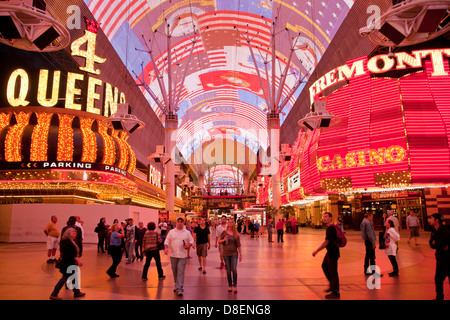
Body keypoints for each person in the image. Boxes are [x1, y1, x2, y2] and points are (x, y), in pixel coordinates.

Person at [50, 228, 85, 300]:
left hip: (71, 264)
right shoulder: (67, 242)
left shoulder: (72, 241)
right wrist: (78, 260)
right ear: (68, 233)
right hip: (67, 264)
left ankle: (77, 292)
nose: (74, 232)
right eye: (72, 231)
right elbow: (70, 254)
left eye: (75, 231)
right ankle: (54, 294)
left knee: (74, 277)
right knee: (64, 279)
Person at [312, 212, 340, 299]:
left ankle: (335, 292)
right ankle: (332, 284)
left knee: (333, 271)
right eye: (324, 217)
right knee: (324, 266)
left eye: (326, 217)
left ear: (331, 218)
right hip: (330, 251)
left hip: (333, 252)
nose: (325, 218)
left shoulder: (330, 228)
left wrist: (317, 250)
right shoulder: (330, 227)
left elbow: (326, 242)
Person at [164, 217, 194, 296]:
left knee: (180, 272)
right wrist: (166, 248)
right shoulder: (171, 232)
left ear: (183, 223)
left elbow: (191, 240)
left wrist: (188, 245)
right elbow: (167, 240)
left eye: (181, 222)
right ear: (176, 223)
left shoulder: (187, 232)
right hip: (173, 255)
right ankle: (176, 284)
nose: (179, 223)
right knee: (175, 271)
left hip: (182, 256)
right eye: (178, 222)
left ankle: (180, 288)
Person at [428, 213, 450, 300]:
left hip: (448, 260)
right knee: (438, 279)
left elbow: (440, 245)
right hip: (440, 259)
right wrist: (437, 244)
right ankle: (439, 297)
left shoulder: (445, 231)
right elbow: (432, 244)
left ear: (436, 220)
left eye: (431, 218)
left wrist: (437, 244)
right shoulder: (434, 230)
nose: (430, 220)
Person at [218, 219, 242, 293]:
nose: (230, 223)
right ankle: (230, 285)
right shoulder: (224, 233)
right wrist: (223, 240)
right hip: (226, 254)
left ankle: (235, 285)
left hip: (234, 253)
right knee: (228, 270)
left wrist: (241, 254)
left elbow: (238, 245)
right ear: (227, 224)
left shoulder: (236, 234)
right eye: (229, 222)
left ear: (233, 224)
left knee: (234, 269)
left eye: (232, 222)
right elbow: (219, 241)